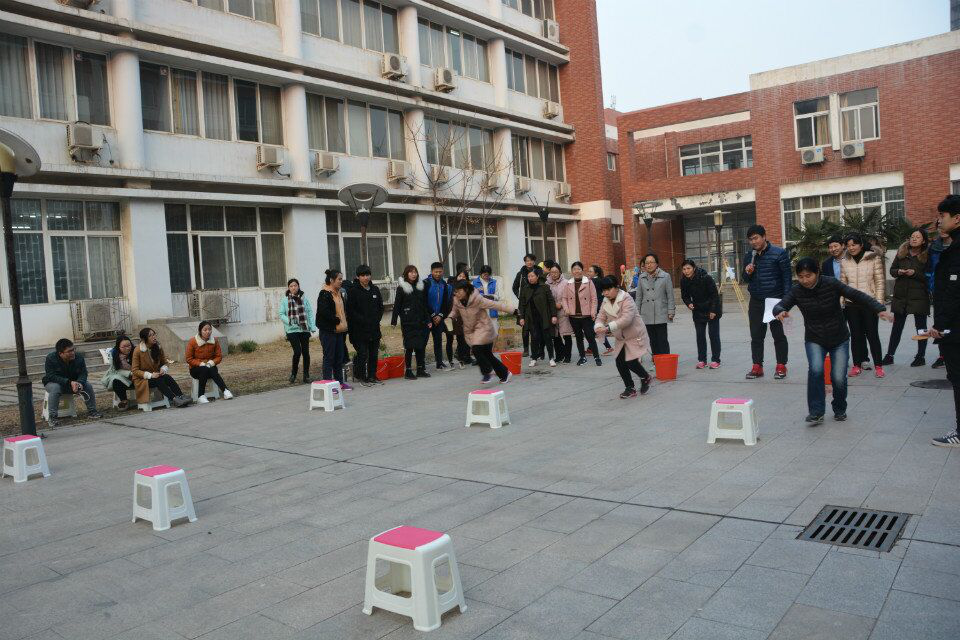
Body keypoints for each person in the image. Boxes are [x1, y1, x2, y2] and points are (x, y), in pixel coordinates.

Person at [773, 258, 892, 424]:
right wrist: (780, 311)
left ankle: (840, 408)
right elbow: (780, 305)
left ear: (817, 273)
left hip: (839, 337)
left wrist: (879, 309)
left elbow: (856, 295)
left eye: (808, 275)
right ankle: (816, 412)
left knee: (838, 377)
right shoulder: (797, 290)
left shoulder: (831, 283)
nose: (805, 280)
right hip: (814, 338)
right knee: (815, 371)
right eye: (801, 277)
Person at [742, 224, 792, 379]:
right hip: (756, 301)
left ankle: (781, 365)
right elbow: (745, 279)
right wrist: (748, 272)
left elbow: (787, 279)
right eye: (750, 239)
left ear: (764, 236)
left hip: (775, 301)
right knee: (756, 335)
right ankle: (757, 366)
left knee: (779, 335)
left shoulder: (779, 253)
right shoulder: (749, 256)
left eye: (756, 238)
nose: (753, 242)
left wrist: (785, 303)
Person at [930, 195, 960, 447]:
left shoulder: (957, 252)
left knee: (958, 377)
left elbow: (953, 292)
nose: (939, 221)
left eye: (943, 216)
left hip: (955, 327)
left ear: (957, 218)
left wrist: (940, 324)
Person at [449, 280, 516, 384]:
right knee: (488, 355)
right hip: (471, 331)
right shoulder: (457, 301)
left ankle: (487, 372)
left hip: (484, 328)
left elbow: (495, 305)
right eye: (455, 292)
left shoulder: (477, 299)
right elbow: (454, 311)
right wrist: (450, 317)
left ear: (466, 290)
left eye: (458, 291)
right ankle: (505, 374)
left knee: (476, 348)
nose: (456, 294)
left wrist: (513, 310)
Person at [595, 276, 652, 398]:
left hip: (634, 335)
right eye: (603, 290)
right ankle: (630, 388)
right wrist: (598, 325)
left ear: (616, 288)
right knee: (620, 362)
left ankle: (645, 377)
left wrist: (608, 327)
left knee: (630, 361)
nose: (605, 293)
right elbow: (600, 316)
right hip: (621, 337)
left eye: (608, 289)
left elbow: (626, 319)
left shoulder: (626, 298)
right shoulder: (605, 301)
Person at [840, 233, 886, 378]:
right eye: (848, 245)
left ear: (861, 244)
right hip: (851, 304)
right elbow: (842, 284)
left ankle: (878, 366)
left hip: (869, 303)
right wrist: (841, 303)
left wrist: (879, 305)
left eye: (854, 244)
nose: (851, 248)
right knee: (855, 336)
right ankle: (856, 365)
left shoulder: (873, 258)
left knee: (872, 335)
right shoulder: (844, 261)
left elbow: (879, 282)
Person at [883, 229, 930, 367]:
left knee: (921, 328)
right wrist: (898, 271)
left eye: (917, 237)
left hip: (919, 296)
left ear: (923, 241)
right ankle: (890, 355)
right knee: (897, 327)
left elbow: (929, 276)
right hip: (901, 296)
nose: (914, 239)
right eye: (912, 236)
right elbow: (892, 270)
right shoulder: (902, 253)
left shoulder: (927, 255)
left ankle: (920, 356)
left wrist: (915, 273)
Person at [42, 338, 102, 426]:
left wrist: (80, 382)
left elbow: (83, 373)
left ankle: (92, 411)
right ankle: (53, 417)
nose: (73, 353)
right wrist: (69, 382)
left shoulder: (79, 357)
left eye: (73, 350)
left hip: (74, 383)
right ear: (60, 353)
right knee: (55, 388)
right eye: (69, 351)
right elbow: (51, 376)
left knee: (88, 385)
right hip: (54, 383)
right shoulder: (51, 358)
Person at [132, 327, 191, 408]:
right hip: (142, 379)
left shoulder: (158, 347)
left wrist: (163, 369)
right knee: (158, 380)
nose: (153, 337)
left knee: (167, 377)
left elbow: (165, 362)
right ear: (144, 339)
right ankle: (174, 399)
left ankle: (181, 396)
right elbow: (135, 371)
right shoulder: (138, 350)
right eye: (150, 336)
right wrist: (150, 375)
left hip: (156, 375)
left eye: (154, 334)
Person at [346, 264, 384, 387]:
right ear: (358, 277)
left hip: (374, 328)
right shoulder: (353, 291)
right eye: (363, 275)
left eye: (368, 275)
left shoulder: (375, 289)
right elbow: (351, 311)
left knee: (373, 353)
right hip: (359, 330)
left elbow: (380, 307)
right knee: (363, 353)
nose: (366, 277)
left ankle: (372, 375)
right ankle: (361, 376)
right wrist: (363, 320)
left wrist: (376, 319)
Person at [392, 265, 433, 380]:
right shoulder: (402, 288)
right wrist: (394, 321)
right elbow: (397, 305)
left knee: (420, 346)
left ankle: (420, 369)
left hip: (420, 321)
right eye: (411, 272)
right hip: (408, 322)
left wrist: (428, 319)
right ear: (406, 274)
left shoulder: (420, 287)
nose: (413, 274)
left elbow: (424, 305)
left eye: (415, 272)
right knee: (409, 346)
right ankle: (408, 371)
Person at [680, 259, 722, 369]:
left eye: (688, 268)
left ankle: (716, 360)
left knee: (713, 335)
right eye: (684, 269)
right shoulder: (684, 280)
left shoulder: (706, 278)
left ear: (694, 268)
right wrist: (689, 303)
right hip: (698, 309)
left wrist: (713, 310)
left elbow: (714, 295)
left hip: (711, 308)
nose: (686, 271)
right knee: (700, 336)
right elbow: (684, 296)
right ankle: (702, 360)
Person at [315, 268, 352, 391]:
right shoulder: (324, 294)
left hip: (339, 331)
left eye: (342, 279)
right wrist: (335, 320)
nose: (341, 281)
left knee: (338, 358)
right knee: (329, 357)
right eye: (339, 279)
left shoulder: (339, 293)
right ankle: (328, 384)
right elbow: (323, 312)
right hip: (328, 331)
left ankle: (339, 383)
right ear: (332, 280)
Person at [562, 261, 602, 366]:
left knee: (590, 336)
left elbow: (594, 298)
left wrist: (593, 312)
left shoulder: (588, 282)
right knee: (579, 337)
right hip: (573, 315)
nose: (576, 271)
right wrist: (566, 309)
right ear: (572, 271)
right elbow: (564, 298)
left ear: (582, 270)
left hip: (586, 315)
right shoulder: (568, 283)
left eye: (578, 269)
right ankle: (582, 357)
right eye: (574, 269)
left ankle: (597, 357)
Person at [635, 253, 675, 355]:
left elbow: (670, 295)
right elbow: (638, 297)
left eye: (651, 262)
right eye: (646, 263)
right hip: (647, 312)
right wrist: (637, 313)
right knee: (652, 340)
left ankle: (665, 359)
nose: (649, 265)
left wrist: (671, 311)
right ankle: (656, 359)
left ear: (657, 264)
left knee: (662, 339)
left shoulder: (665, 276)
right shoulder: (641, 277)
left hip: (661, 311)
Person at [185, 321, 233, 403]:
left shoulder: (214, 341)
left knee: (211, 368)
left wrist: (211, 363)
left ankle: (225, 391)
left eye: (209, 329)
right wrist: (201, 364)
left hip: (210, 367)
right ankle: (201, 396)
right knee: (204, 369)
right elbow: (189, 359)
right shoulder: (192, 341)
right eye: (205, 330)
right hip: (195, 369)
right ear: (200, 331)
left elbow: (219, 356)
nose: (208, 332)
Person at [279, 278, 316, 384]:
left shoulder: (304, 298)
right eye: (291, 286)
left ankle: (306, 375)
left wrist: (312, 327)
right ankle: (293, 374)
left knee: (306, 352)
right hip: (292, 330)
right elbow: (281, 314)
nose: (293, 287)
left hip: (304, 329)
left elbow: (309, 312)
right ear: (288, 288)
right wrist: (289, 321)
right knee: (297, 352)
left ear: (298, 286)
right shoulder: (285, 300)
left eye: (295, 285)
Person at [518, 267, 557, 366]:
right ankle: (534, 358)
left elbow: (551, 302)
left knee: (547, 337)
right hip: (531, 317)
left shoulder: (544, 287)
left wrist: (554, 315)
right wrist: (521, 317)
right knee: (534, 338)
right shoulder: (525, 289)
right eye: (529, 276)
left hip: (544, 316)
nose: (530, 278)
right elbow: (522, 304)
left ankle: (551, 358)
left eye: (532, 276)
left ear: (537, 276)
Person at [928, 219, 952, 369]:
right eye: (938, 226)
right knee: (940, 322)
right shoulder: (934, 247)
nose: (941, 228)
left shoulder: (956, 245)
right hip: (938, 290)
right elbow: (929, 269)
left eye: (943, 224)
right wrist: (930, 286)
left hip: (954, 289)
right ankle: (942, 355)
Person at [424, 262, 453, 371]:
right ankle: (421, 364)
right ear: (432, 272)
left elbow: (445, 302)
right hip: (427, 317)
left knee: (438, 340)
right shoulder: (426, 283)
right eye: (436, 272)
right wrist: (432, 315)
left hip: (439, 317)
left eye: (440, 272)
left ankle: (439, 363)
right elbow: (424, 301)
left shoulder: (444, 284)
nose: (438, 274)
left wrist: (440, 315)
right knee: (424, 341)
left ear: (443, 271)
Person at [545, 260, 573, 363]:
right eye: (552, 272)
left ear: (560, 272)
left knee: (566, 334)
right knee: (555, 336)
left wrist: (561, 304)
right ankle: (559, 355)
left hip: (563, 312)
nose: (554, 274)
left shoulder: (566, 283)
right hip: (552, 313)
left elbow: (570, 297)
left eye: (556, 272)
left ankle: (568, 356)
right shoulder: (546, 283)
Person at [512, 253, 538, 357]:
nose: (529, 262)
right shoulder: (521, 274)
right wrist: (520, 297)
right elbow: (514, 287)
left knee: (537, 326)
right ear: (525, 262)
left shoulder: (539, 272)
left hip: (536, 302)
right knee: (525, 327)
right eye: (527, 260)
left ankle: (537, 348)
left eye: (531, 260)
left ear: (534, 261)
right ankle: (526, 349)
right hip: (524, 303)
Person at [101, 335, 135, 409]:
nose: (127, 348)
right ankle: (124, 400)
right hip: (122, 376)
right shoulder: (114, 354)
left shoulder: (135, 352)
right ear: (118, 347)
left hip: (136, 376)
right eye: (124, 347)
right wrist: (130, 373)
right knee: (116, 381)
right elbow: (115, 370)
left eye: (129, 345)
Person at [588, 264, 614, 355]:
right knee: (594, 328)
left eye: (590, 271)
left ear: (596, 273)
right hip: (600, 306)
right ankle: (591, 348)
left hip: (596, 308)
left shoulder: (593, 281)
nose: (588, 273)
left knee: (595, 328)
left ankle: (608, 347)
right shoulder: (600, 280)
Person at [473, 265, 499, 334]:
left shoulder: (494, 282)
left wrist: (489, 296)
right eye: (484, 274)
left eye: (488, 275)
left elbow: (497, 297)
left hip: (492, 309)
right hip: (480, 310)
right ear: (481, 273)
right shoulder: (474, 283)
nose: (486, 276)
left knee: (494, 331)